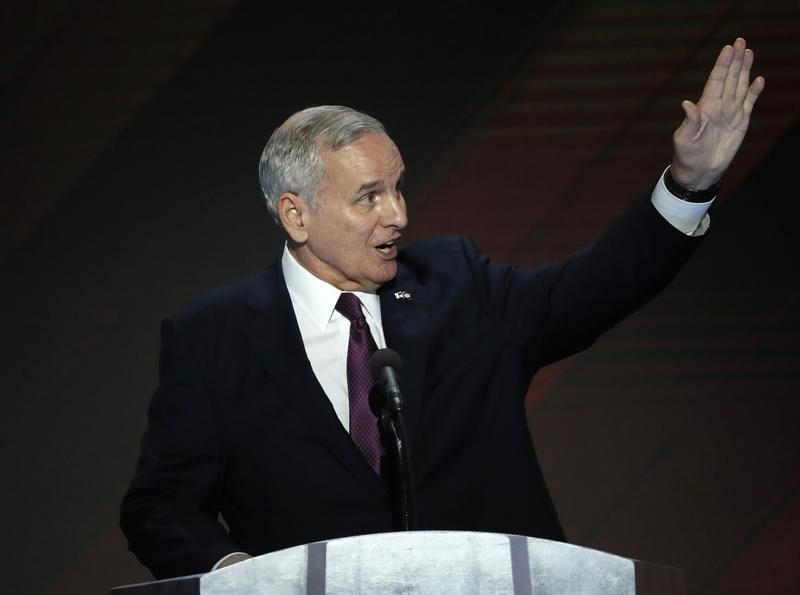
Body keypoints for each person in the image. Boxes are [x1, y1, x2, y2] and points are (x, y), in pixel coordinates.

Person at [120, 38, 764, 579]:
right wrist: (236, 575)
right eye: (369, 196)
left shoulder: (459, 286)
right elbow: (160, 503)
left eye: (398, 187)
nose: (398, 215)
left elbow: (596, 287)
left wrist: (690, 185)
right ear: (296, 214)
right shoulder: (214, 336)